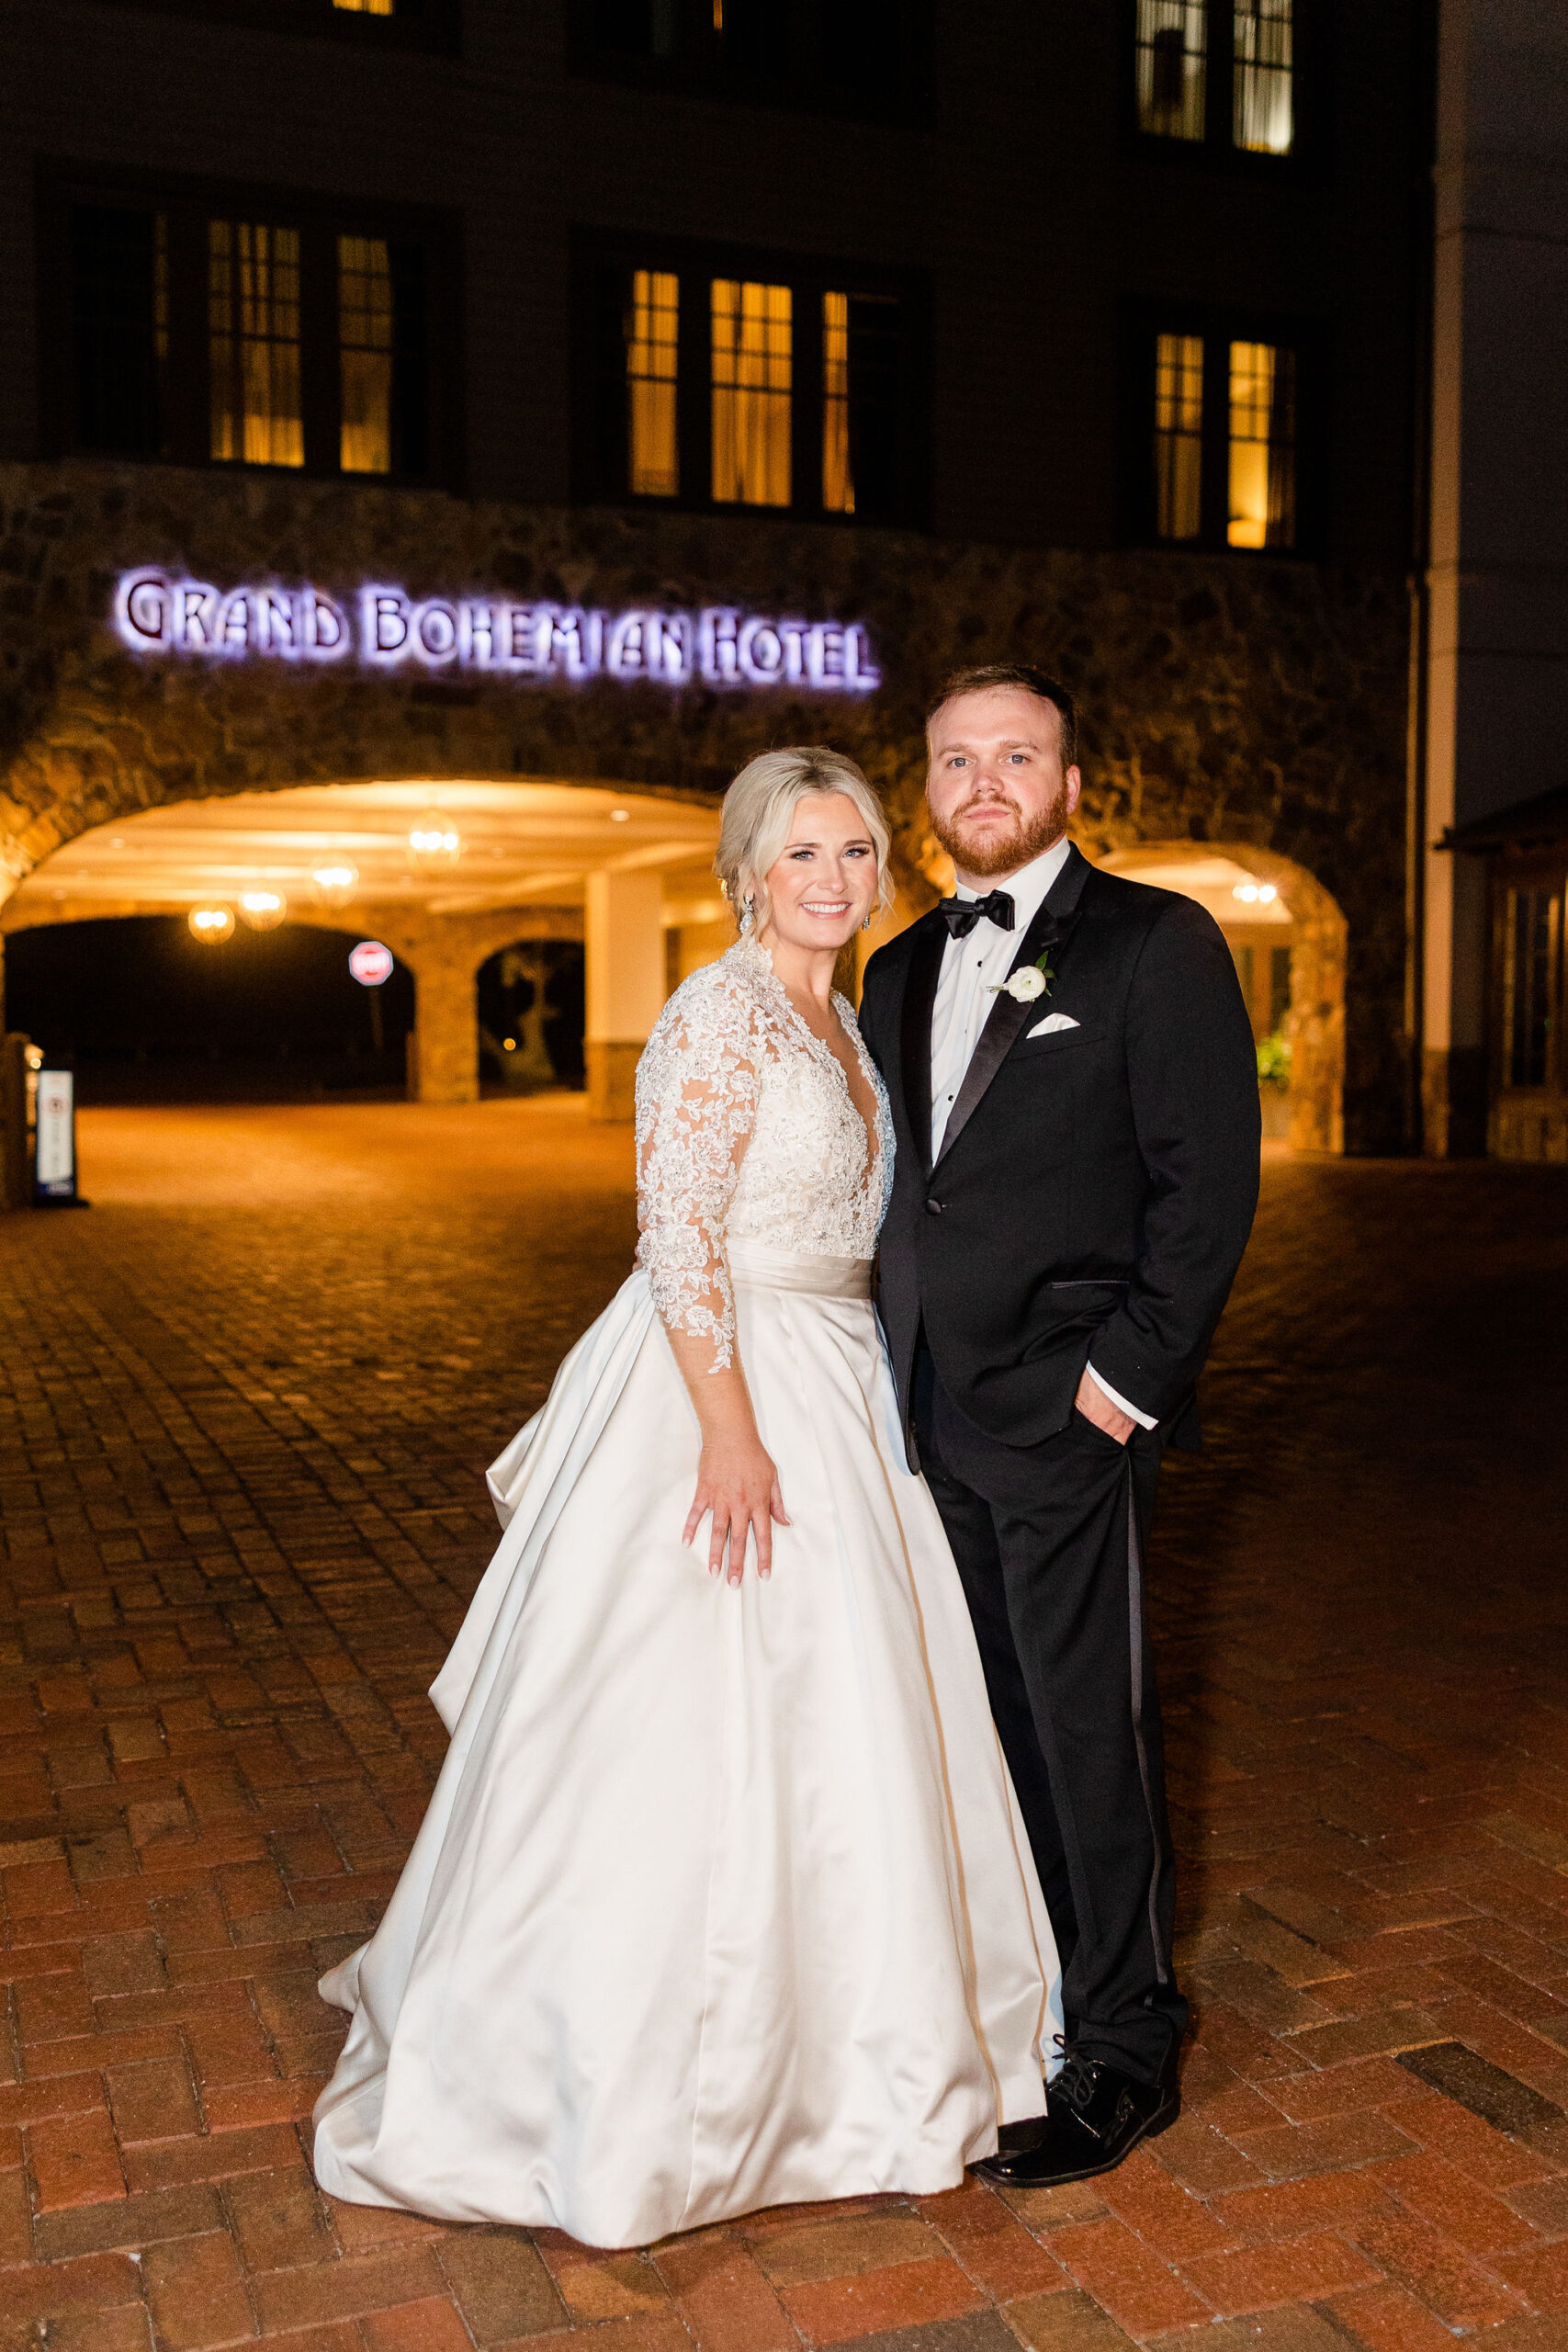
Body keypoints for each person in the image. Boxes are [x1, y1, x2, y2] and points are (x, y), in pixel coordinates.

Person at [311, 747, 1060, 2249]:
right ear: (745, 875)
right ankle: (640, 2076)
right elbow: (677, 1236)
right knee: (695, 1718)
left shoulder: (839, 1015)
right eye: (804, 856)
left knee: (863, 1718)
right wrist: (728, 1428)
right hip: (734, 1382)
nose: (836, 881)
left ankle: (865, 2043)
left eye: (856, 853)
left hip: (847, 1375)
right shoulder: (713, 1017)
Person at [856, 663, 1259, 2187]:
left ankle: (1127, 2046)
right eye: (957, 760)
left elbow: (1205, 1185)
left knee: (1092, 1729)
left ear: (1072, 783)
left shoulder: (1157, 944)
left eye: (1015, 757)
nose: (983, 784)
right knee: (990, 1725)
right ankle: (1037, 2002)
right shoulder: (899, 968)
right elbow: (911, 1187)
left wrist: (1127, 1382)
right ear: (931, 787)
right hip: (928, 1422)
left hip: (1072, 1415)